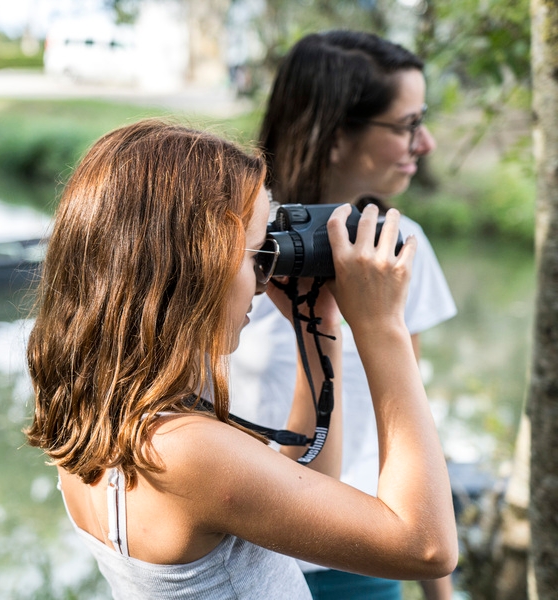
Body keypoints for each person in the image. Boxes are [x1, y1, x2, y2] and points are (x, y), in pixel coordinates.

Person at [25, 119, 457, 599]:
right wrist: (382, 329)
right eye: (256, 253)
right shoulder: (187, 452)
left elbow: (308, 482)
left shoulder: (105, 413)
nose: (264, 277)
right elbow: (426, 548)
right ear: (192, 264)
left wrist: (318, 331)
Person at [229, 30, 458, 600]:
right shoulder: (235, 251)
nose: (424, 142)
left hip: (363, 558)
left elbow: (409, 420)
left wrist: (438, 589)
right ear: (335, 136)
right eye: (406, 124)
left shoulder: (401, 248)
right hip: (241, 557)